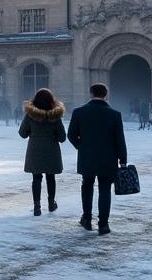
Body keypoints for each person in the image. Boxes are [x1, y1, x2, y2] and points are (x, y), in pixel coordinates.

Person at [67, 83, 127, 235]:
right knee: (105, 189)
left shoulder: (79, 112)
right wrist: (123, 159)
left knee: (87, 185)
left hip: (87, 157)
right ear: (106, 95)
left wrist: (81, 147)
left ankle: (86, 219)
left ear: (91, 94)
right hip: (108, 158)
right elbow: (119, 139)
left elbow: (71, 135)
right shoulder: (114, 114)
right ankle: (103, 224)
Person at [19, 88, 66, 216]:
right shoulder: (55, 116)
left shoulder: (30, 115)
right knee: (51, 177)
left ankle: (37, 206)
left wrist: (33, 132)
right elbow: (62, 137)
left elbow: (22, 133)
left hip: (35, 149)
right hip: (51, 150)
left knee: (36, 178)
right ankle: (51, 203)